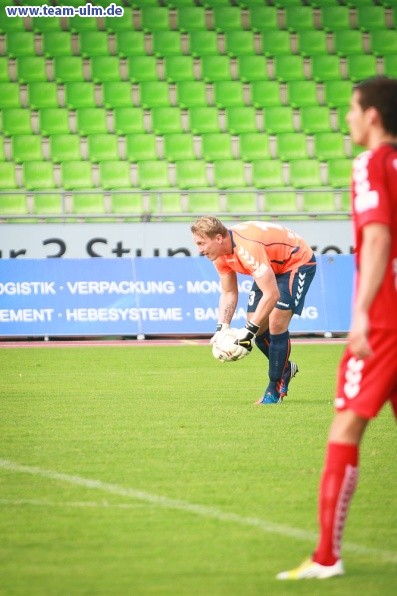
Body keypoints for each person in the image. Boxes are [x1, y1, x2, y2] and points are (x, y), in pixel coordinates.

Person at [277, 76, 397, 580]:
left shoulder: (371, 163)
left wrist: (362, 314)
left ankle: (327, 557)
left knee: (346, 425)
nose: (347, 117)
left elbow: (376, 238)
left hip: (386, 321)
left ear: (371, 115)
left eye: (351, 108)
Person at [191, 217, 316, 404]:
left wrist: (248, 331)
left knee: (275, 322)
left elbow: (272, 294)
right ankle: (285, 368)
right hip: (271, 266)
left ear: (218, 238)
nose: (199, 249)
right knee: (258, 327)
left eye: (201, 243)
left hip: (296, 262)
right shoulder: (219, 256)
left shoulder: (246, 247)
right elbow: (229, 291)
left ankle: (273, 389)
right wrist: (222, 328)